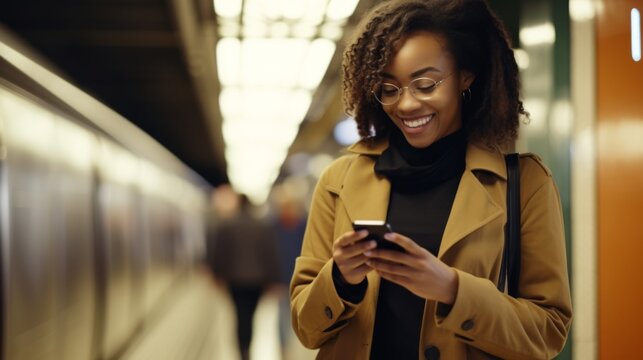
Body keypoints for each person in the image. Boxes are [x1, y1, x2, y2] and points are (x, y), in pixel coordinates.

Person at [289, 1, 572, 359]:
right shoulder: (338, 181)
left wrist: (453, 289)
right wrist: (341, 279)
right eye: (389, 89)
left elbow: (548, 332)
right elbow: (305, 326)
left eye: (424, 84)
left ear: (465, 76)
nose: (406, 105)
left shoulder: (525, 184)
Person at [206, 187, 281, 360]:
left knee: (240, 315)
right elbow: (270, 253)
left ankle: (243, 351)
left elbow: (220, 253)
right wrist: (274, 279)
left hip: (235, 280)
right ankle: (248, 345)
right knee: (251, 316)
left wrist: (216, 275)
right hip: (257, 282)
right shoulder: (263, 226)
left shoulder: (226, 225)